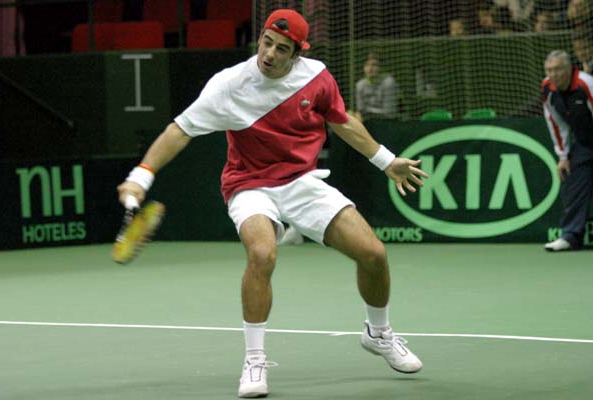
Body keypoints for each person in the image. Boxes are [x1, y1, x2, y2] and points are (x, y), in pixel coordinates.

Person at [116, 9, 428, 398]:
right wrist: (141, 176)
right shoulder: (229, 86)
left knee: (374, 254)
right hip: (249, 184)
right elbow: (179, 131)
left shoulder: (316, 77)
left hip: (302, 182)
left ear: (297, 53)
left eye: (282, 49)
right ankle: (254, 360)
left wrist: (386, 161)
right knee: (262, 254)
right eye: (267, 43)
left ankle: (378, 334)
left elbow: (342, 122)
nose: (269, 54)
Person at [542, 50, 593, 251]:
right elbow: (555, 122)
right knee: (573, 183)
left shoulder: (585, 84)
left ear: (569, 68)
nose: (553, 74)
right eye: (549, 70)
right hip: (584, 143)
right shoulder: (547, 87)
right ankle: (570, 236)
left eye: (558, 69)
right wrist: (563, 155)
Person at [351, 53, 401, 122]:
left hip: (387, 122)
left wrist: (368, 113)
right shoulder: (360, 85)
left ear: (381, 68)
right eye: (367, 65)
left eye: (374, 65)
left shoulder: (389, 83)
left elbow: (389, 113)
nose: (370, 68)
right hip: (366, 121)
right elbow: (360, 110)